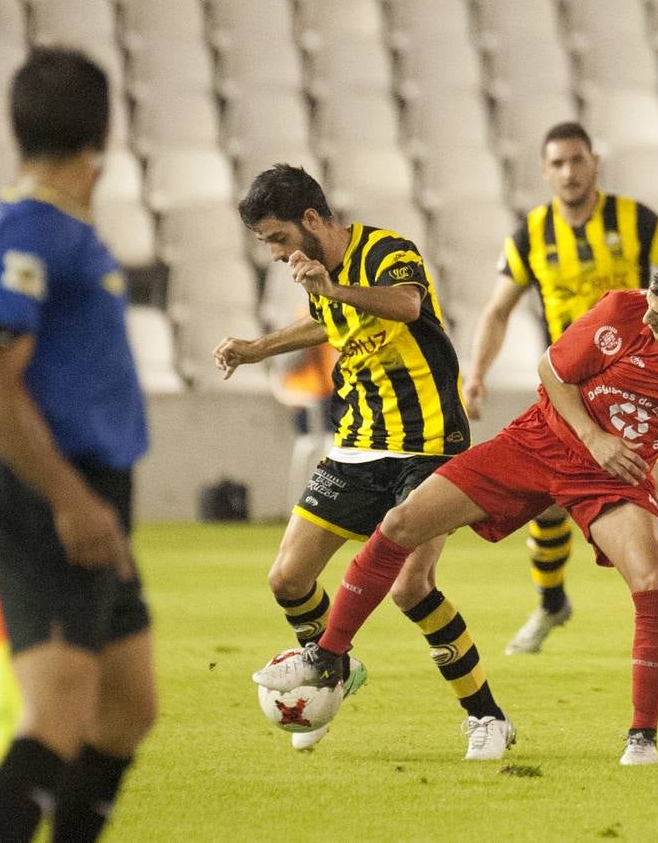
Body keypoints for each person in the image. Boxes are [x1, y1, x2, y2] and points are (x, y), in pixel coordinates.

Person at [252, 251, 658, 767]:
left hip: (607, 479)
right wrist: (595, 437)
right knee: (401, 524)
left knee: (652, 582)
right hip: (538, 443)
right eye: (650, 306)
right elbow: (552, 371)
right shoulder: (623, 310)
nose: (648, 321)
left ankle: (642, 740)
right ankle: (329, 657)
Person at [215, 164, 515, 759]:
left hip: (429, 443)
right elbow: (327, 321)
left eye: (277, 238)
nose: (276, 254)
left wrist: (330, 289)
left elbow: (405, 306)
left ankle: (488, 718)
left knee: (412, 587)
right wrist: (257, 349)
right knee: (288, 579)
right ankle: (332, 670)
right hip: (358, 440)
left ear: (310, 220)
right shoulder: (317, 277)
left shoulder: (387, 250)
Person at [0, 47, 155, 842]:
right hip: (58, 494)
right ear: (102, 129)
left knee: (128, 710)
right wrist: (67, 500)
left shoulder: (54, 225)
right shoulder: (31, 230)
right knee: (58, 715)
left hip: (91, 491)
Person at [463, 121, 658, 658]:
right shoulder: (530, 234)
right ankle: (551, 605)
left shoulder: (636, 222)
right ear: (545, 171)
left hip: (642, 388)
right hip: (569, 392)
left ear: (594, 162)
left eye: (577, 160)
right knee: (547, 503)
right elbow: (497, 310)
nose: (569, 172)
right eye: (558, 163)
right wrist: (476, 371)